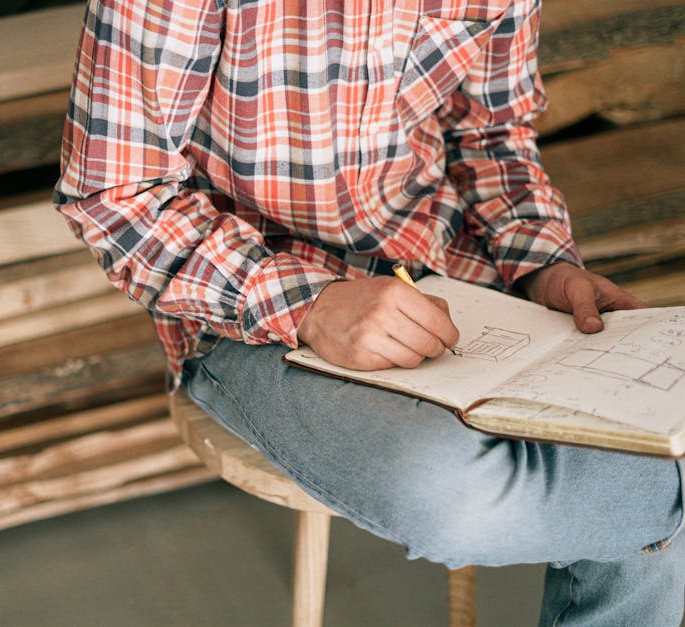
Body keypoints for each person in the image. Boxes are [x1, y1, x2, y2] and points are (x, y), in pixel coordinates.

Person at [54, 0, 685, 623]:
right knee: (454, 495)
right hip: (247, 312)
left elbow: (490, 137)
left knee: (653, 440)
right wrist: (311, 305)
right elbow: (114, 195)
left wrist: (543, 262)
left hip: (459, 281)